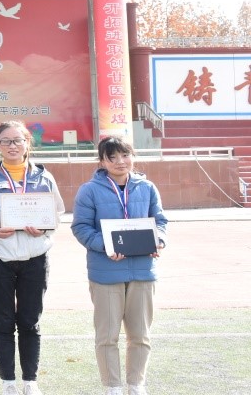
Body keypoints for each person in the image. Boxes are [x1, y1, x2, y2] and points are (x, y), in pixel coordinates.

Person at [0, 121, 66, 395]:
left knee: (30, 321)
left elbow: (57, 213)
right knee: (2, 321)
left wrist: (44, 228)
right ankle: (8, 382)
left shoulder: (44, 178)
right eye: (6, 141)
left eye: (17, 140)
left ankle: (30, 380)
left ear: (27, 143)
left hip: (35, 258)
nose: (12, 146)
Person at [71, 137, 168, 395]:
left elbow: (160, 221)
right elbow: (81, 227)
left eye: (125, 155)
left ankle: (136, 385)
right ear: (102, 161)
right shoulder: (89, 190)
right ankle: (112, 386)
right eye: (111, 157)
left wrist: (158, 241)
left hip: (143, 271)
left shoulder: (147, 188)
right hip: (106, 272)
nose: (120, 162)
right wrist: (106, 246)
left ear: (132, 156)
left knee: (140, 334)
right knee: (107, 336)